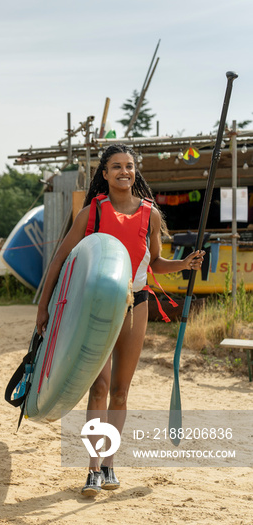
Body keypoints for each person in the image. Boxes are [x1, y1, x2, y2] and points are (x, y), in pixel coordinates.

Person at [35, 144, 204, 496]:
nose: (124, 172)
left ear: (135, 171)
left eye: (129, 166)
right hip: (93, 308)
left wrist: (184, 265)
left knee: (121, 392)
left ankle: (110, 464)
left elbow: (154, 262)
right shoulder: (92, 212)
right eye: (116, 167)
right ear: (106, 173)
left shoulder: (150, 214)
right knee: (98, 387)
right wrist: (43, 306)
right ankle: (93, 469)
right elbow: (60, 260)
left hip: (135, 304)